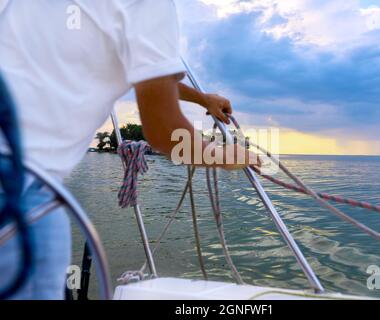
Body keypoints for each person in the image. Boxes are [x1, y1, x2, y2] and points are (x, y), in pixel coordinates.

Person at [0, 0, 257, 300]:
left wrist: (202, 99)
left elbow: (143, 77)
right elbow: (164, 131)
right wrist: (226, 156)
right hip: (18, 190)